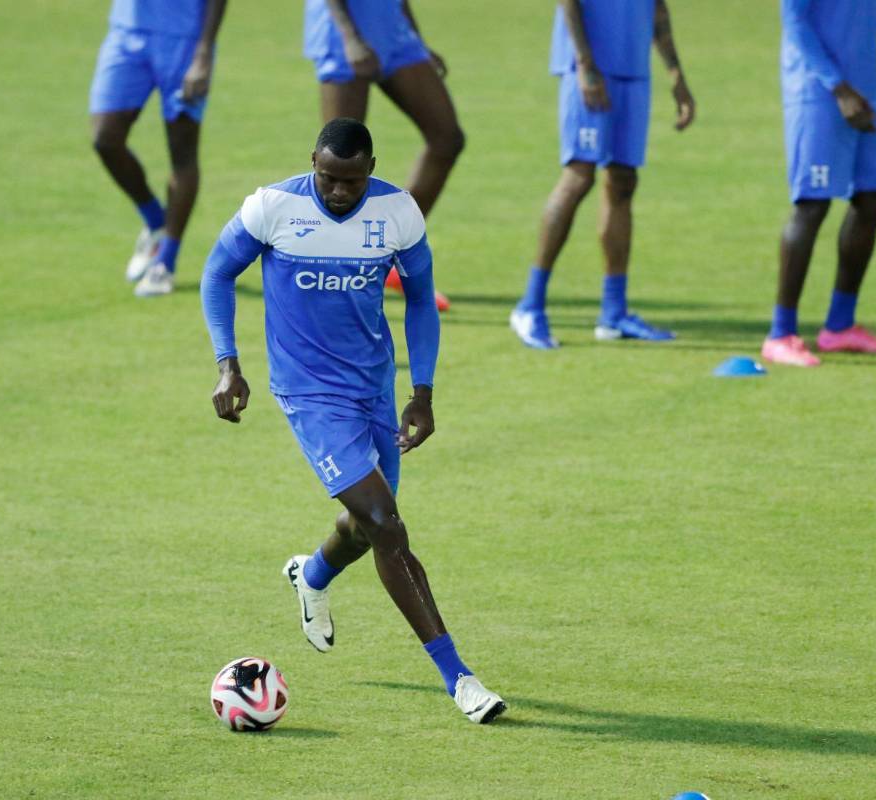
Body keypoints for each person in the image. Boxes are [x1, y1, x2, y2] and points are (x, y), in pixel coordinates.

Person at [200, 118, 505, 724]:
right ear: (312, 159)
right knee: (388, 525)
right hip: (310, 396)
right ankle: (460, 679)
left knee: (366, 528)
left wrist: (423, 392)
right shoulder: (273, 208)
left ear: (372, 168)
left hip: (375, 388)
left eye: (353, 181)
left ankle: (310, 574)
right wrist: (227, 364)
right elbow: (216, 273)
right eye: (329, 178)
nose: (340, 192)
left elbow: (421, 297)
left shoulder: (398, 212)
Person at [510, 0, 696, 349]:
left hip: (633, 68)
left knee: (623, 182)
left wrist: (676, 75)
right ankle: (530, 306)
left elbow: (657, 8)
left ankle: (614, 313)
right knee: (579, 176)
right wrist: (584, 63)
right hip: (590, 67)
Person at [761, 0, 876, 367]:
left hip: (863, 91)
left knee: (873, 198)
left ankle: (839, 327)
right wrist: (838, 88)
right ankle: (780, 333)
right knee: (812, 205)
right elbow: (795, 20)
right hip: (820, 94)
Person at [304, 0, 461, 312]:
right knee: (340, 162)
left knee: (447, 139)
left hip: (392, 30)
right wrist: (351, 37)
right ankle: (329, 283)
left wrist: (417, 38)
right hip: (342, 32)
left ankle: (387, 254)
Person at [89, 0, 228, 297]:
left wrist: (204, 53)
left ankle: (165, 262)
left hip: (184, 39)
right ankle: (155, 221)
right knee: (105, 138)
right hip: (127, 30)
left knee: (182, 151)